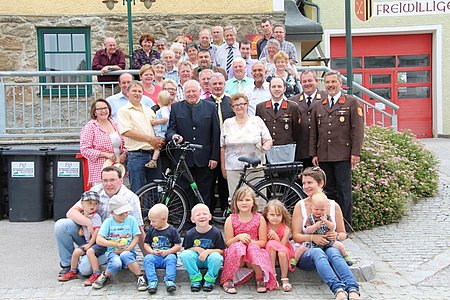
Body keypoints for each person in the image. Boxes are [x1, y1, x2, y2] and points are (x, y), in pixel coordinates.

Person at [54, 166, 146, 277]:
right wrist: (88, 223)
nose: (108, 184)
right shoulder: (95, 191)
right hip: (90, 235)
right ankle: (67, 265)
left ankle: (82, 259)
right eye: (105, 180)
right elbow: (71, 213)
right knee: (61, 225)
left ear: (121, 180)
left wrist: (148, 256)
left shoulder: (131, 198)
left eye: (112, 180)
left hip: (108, 244)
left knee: (85, 270)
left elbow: (139, 229)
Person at [292, 167, 361, 300]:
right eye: (304, 183)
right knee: (318, 253)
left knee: (334, 252)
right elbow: (296, 236)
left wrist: (335, 236)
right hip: (308, 251)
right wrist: (313, 237)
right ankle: (338, 289)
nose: (305, 186)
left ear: (321, 183)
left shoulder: (333, 206)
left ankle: (353, 288)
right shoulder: (300, 206)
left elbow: (343, 234)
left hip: (329, 246)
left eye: (309, 182)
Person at [309, 70, 364, 232]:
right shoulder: (319, 105)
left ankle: (345, 226)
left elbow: (357, 130)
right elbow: (314, 132)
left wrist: (356, 153)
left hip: (342, 155)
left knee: (344, 191)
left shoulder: (351, 103)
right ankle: (329, 225)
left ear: (340, 84)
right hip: (324, 156)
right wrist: (314, 153)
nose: (330, 85)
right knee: (328, 191)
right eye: (328, 83)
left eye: (334, 82)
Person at [166, 80, 220, 209]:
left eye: (193, 91)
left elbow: (215, 133)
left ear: (200, 91)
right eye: (188, 91)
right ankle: (189, 220)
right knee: (185, 191)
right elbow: (170, 130)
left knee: (205, 190)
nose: (191, 94)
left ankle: (205, 219)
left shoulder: (211, 107)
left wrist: (214, 157)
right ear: (184, 93)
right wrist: (174, 136)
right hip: (184, 158)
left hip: (205, 157)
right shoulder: (176, 107)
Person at [220, 186, 277, 294]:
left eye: (247, 200)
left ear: (253, 202)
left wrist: (251, 243)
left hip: (253, 257)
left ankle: (259, 279)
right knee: (238, 246)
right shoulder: (230, 219)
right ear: (235, 202)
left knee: (253, 247)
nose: (244, 203)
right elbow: (228, 243)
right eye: (240, 200)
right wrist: (238, 238)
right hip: (238, 257)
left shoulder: (259, 218)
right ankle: (228, 279)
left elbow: (263, 241)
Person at [220, 93, 272, 196]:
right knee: (237, 198)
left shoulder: (256, 121)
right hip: (233, 168)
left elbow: (268, 139)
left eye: (242, 104)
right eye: (236, 105)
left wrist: (265, 146)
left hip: (255, 167)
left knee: (257, 197)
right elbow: (222, 146)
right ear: (232, 108)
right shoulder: (227, 123)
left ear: (247, 105)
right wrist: (223, 167)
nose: (239, 107)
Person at [118, 81, 164, 193]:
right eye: (134, 91)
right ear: (127, 93)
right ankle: (138, 211)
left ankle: (153, 211)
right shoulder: (124, 111)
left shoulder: (148, 110)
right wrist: (150, 139)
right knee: (137, 191)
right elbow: (127, 131)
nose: (137, 93)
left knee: (155, 190)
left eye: (140, 91)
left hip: (153, 155)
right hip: (136, 155)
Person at [92, 195, 146, 290]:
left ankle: (140, 276)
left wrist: (128, 248)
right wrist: (114, 244)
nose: (124, 215)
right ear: (112, 213)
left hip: (128, 251)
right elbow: (99, 239)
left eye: (126, 212)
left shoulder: (131, 220)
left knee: (125, 255)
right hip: (113, 252)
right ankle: (105, 275)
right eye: (121, 214)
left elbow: (136, 236)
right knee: (116, 263)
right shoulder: (108, 222)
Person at [58, 191, 106, 286]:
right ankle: (72, 270)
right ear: (82, 204)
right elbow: (80, 222)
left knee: (90, 252)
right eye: (89, 203)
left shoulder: (95, 217)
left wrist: (89, 244)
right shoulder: (84, 215)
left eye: (95, 204)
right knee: (76, 252)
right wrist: (81, 228)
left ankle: (96, 273)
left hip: (96, 243)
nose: (92, 206)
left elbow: (97, 232)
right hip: (88, 242)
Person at [293, 192, 353, 267]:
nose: (319, 212)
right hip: (313, 241)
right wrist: (315, 226)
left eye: (322, 210)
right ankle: (295, 260)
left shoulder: (327, 217)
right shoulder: (310, 218)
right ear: (312, 208)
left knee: (340, 245)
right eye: (316, 209)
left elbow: (332, 226)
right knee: (302, 248)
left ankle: (346, 257)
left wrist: (327, 222)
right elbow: (308, 230)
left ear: (325, 209)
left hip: (327, 240)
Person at [80, 99, 127, 186]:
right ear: (94, 112)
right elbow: (84, 150)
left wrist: (123, 154)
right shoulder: (90, 127)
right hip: (100, 170)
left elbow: (124, 143)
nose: (103, 111)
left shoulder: (114, 124)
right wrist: (106, 154)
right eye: (100, 109)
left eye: (105, 108)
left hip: (118, 167)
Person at [179, 204, 225, 292]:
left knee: (217, 257)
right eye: (198, 215)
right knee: (185, 255)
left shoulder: (216, 232)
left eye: (204, 214)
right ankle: (195, 278)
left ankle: (209, 280)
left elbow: (221, 250)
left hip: (210, 260)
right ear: (192, 219)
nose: (202, 216)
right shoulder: (190, 233)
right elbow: (187, 248)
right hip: (197, 260)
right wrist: (197, 249)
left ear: (210, 216)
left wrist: (207, 251)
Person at [207, 73, 235, 213]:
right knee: (210, 184)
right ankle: (209, 213)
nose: (218, 86)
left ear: (225, 85)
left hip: (229, 150)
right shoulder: (204, 103)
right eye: (215, 84)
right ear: (209, 86)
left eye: (220, 84)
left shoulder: (231, 103)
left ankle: (226, 211)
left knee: (225, 182)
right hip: (210, 150)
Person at [289, 69, 327, 167]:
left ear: (316, 81)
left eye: (310, 81)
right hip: (301, 150)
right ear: (300, 83)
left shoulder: (326, 98)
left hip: (322, 150)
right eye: (304, 81)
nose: (307, 84)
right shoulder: (292, 101)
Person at [143, 204, 182, 294]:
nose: (151, 224)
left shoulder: (172, 231)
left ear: (164, 219)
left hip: (167, 256)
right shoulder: (151, 230)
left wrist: (168, 252)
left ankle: (169, 280)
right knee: (147, 259)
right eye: (150, 221)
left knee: (172, 258)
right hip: (155, 256)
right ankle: (152, 281)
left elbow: (178, 246)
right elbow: (146, 244)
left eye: (153, 221)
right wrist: (152, 251)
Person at [255, 77, 301, 146]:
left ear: (284, 88)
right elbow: (258, 131)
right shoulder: (260, 107)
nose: (276, 89)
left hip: (286, 148)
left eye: (279, 86)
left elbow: (296, 131)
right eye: (274, 87)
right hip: (267, 148)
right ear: (269, 89)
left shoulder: (293, 107)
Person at [262, 199, 295, 292]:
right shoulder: (264, 226)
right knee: (271, 245)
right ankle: (273, 276)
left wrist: (276, 238)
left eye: (278, 215)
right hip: (269, 253)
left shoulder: (285, 228)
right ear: (266, 215)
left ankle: (284, 278)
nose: (275, 217)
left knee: (281, 253)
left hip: (283, 251)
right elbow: (264, 243)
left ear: (283, 215)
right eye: (272, 215)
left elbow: (283, 246)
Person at [145, 90, 171, 169]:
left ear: (158, 99)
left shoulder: (164, 109)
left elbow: (165, 119)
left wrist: (156, 122)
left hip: (161, 131)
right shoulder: (164, 109)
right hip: (159, 131)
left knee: (158, 146)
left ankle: (153, 160)